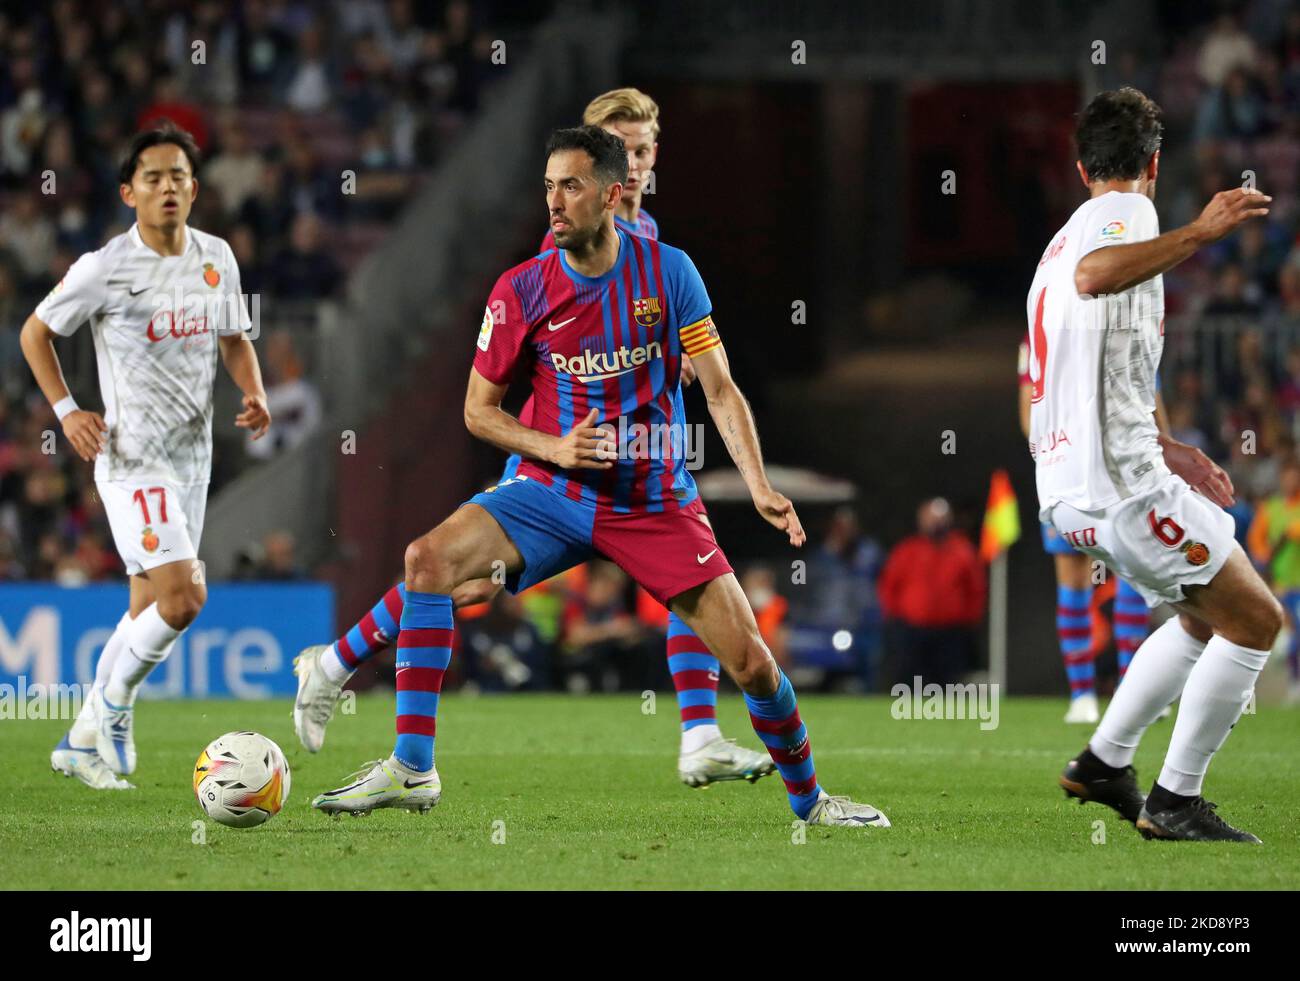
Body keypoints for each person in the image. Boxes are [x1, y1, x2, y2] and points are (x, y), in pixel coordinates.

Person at [309, 125, 888, 828]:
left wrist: (759, 483)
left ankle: (811, 802)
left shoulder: (670, 271)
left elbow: (720, 389)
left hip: (653, 502)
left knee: (754, 664)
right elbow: (477, 412)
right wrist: (552, 446)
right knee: (428, 559)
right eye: (549, 185)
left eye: (572, 185)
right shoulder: (520, 290)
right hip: (554, 492)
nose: (554, 201)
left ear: (613, 196)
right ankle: (411, 764)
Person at [1031, 87, 1279, 842]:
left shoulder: (1058, 241)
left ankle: (1105, 761)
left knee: (1204, 620)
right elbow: (1099, 276)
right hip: (1119, 488)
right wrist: (1201, 230)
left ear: (1080, 167)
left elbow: (1097, 355)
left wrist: (1166, 440)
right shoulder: (1129, 214)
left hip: (1073, 487)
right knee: (1257, 619)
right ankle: (1174, 801)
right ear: (1154, 162)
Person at [21, 122, 271, 790]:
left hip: (193, 459)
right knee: (185, 597)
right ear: (130, 191)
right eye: (153, 177)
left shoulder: (217, 256)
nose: (168, 187)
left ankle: (78, 743)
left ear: (195, 188)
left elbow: (235, 337)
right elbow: (35, 332)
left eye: (179, 176)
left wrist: (254, 391)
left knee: (144, 610)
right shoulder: (105, 267)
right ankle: (113, 704)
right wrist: (68, 411)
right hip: (133, 459)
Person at [1018, 341, 1162, 721]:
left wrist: (1163, 448)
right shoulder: (1038, 336)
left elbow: (1151, 396)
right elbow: (1027, 416)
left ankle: (1134, 690)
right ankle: (1082, 694)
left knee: (1134, 572)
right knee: (1074, 579)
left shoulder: (1123, 324)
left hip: (1122, 470)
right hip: (1069, 472)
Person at [878, 498, 985, 687]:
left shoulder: (962, 550)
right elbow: (889, 585)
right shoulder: (907, 550)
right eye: (931, 519)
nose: (936, 524)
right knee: (909, 680)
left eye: (940, 519)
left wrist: (969, 619)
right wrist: (894, 617)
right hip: (912, 630)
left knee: (948, 682)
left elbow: (975, 589)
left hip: (950, 632)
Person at [1246, 456, 1300, 703]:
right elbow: (1256, 540)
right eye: (1288, 475)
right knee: (1288, 633)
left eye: (1295, 475)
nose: (1291, 480)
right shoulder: (1271, 508)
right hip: (1278, 583)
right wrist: (1265, 559)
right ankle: (1293, 682)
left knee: (1295, 635)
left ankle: (1295, 682)